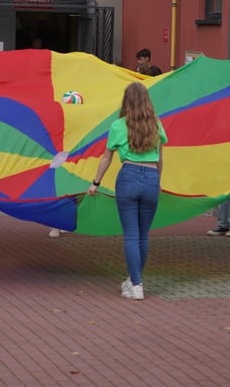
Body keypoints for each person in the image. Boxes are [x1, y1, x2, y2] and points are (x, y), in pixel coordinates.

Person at [86, 82, 167, 300]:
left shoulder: (118, 126)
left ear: (126, 101)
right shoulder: (156, 126)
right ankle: (134, 281)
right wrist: (157, 181)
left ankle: (136, 284)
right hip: (151, 179)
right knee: (143, 235)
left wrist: (96, 182)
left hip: (128, 177)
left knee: (131, 235)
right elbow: (160, 159)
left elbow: (106, 158)